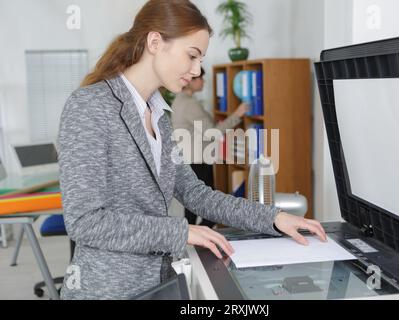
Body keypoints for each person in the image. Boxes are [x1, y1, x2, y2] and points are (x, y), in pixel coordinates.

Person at [58, 0, 326, 300]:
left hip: (157, 284)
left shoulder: (160, 114)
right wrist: (181, 231)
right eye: (192, 55)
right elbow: (85, 222)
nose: (197, 69)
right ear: (155, 42)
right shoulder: (89, 106)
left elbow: (195, 193)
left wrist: (272, 217)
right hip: (105, 289)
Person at [171, 67, 248, 227]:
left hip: (188, 160)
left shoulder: (179, 100)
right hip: (198, 162)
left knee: (191, 209)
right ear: (191, 80)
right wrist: (237, 115)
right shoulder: (190, 104)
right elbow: (213, 133)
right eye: (201, 78)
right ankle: (200, 239)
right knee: (211, 211)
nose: (204, 81)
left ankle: (189, 244)